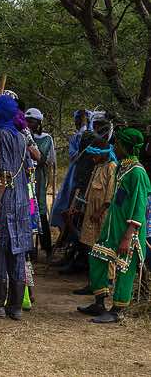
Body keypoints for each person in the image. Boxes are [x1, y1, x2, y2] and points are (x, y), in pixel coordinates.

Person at [78, 127, 151, 323]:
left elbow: (139, 206)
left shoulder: (138, 173)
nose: (114, 147)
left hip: (129, 233)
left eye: (117, 144)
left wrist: (128, 235)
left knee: (124, 270)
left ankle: (118, 309)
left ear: (126, 147)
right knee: (97, 258)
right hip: (112, 229)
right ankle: (99, 302)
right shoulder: (122, 167)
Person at [0, 95, 33, 320]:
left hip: (6, 200)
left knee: (1, 250)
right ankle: (15, 306)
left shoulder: (1, 134)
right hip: (23, 200)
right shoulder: (21, 136)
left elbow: (3, 173)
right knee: (18, 252)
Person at [72, 138, 117, 295]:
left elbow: (110, 196)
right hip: (92, 215)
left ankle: (107, 282)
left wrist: (99, 212)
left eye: (95, 156)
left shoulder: (111, 167)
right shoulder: (98, 167)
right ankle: (94, 283)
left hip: (102, 217)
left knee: (104, 248)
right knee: (92, 248)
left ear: (104, 154)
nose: (93, 158)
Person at [25, 108, 56, 258]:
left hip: (38, 181)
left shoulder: (46, 138)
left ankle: (47, 247)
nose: (30, 124)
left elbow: (46, 160)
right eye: (28, 121)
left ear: (39, 123)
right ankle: (30, 248)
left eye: (33, 122)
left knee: (41, 210)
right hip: (26, 181)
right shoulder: (22, 136)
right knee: (30, 210)